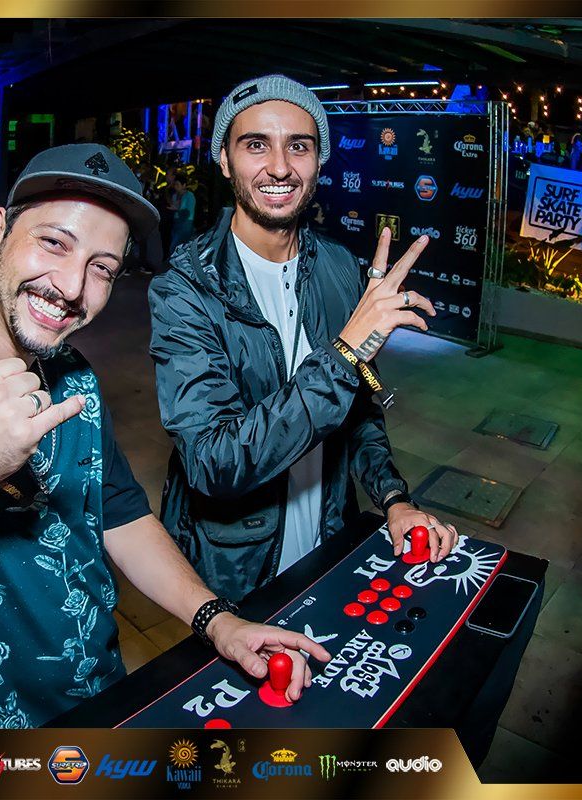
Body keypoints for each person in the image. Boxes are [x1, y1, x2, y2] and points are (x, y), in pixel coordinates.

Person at [0, 144, 331, 729]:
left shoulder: (73, 373)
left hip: (104, 693)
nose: (70, 285)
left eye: (102, 268)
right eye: (54, 243)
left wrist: (219, 621)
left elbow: (121, 516)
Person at [148, 74, 460, 602]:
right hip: (234, 571)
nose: (279, 167)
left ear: (319, 160)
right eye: (255, 145)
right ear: (224, 160)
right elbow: (213, 461)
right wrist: (344, 353)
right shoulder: (185, 289)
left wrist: (393, 498)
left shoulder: (339, 268)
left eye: (299, 146)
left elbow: (358, 409)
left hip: (327, 547)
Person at [168, 175, 196, 253]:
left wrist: (177, 209)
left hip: (186, 223)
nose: (176, 187)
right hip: (176, 222)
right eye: (175, 184)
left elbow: (188, 211)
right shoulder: (175, 195)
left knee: (176, 246)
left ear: (184, 185)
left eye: (178, 185)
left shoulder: (189, 196)